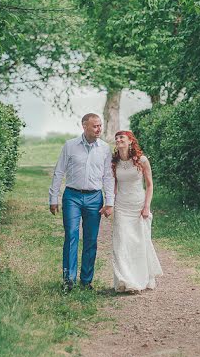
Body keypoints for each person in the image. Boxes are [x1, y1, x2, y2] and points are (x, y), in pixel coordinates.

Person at [49, 114, 115, 292]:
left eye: (100, 126)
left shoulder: (105, 149)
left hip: (95, 198)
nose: (99, 129)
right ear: (84, 126)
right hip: (72, 196)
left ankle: (86, 281)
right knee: (71, 236)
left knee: (91, 239)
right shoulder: (70, 145)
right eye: (95, 126)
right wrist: (53, 198)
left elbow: (108, 176)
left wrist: (110, 202)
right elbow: (59, 171)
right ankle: (68, 280)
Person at [111, 130, 162, 292]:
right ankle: (125, 280)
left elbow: (150, 185)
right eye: (116, 138)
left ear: (130, 141)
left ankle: (147, 277)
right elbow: (113, 186)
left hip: (138, 206)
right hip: (121, 206)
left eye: (122, 137)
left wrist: (147, 206)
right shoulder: (114, 162)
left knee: (141, 241)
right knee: (121, 243)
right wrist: (109, 204)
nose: (118, 140)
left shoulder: (142, 160)